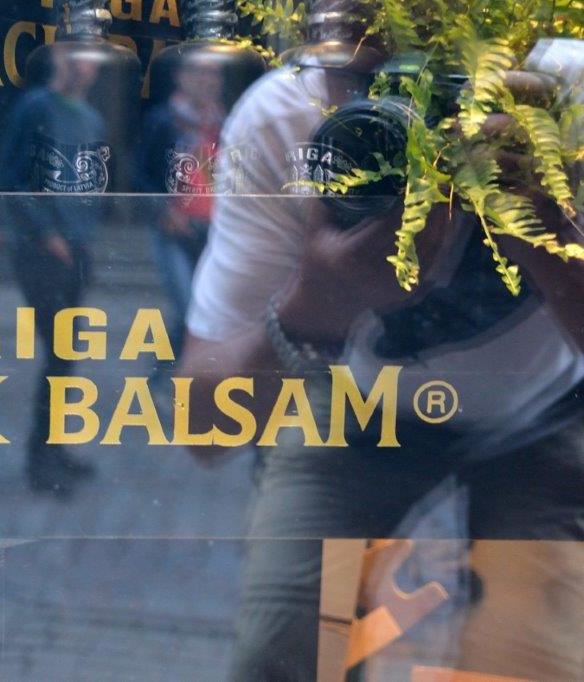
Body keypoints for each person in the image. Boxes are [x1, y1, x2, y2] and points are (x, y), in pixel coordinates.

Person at [178, 3, 584, 679]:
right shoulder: (287, 119)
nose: (413, 119)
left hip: (547, 408)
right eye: (370, 79)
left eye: (446, 80)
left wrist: (548, 230)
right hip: (358, 405)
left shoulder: (567, 103)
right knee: (287, 649)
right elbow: (203, 429)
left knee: (526, 659)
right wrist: (315, 306)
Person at [0, 47, 106, 497]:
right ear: (61, 58)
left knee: (66, 355)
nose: (86, 67)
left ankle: (54, 450)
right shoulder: (36, 108)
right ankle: (40, 462)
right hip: (40, 251)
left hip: (76, 251)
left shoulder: (93, 120)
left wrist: (84, 238)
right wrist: (46, 233)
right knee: (58, 353)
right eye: (79, 57)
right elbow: (12, 180)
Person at [136, 59, 227, 388]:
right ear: (181, 76)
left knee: (202, 309)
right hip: (173, 229)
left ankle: (175, 379)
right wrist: (164, 210)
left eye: (213, 73)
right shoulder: (163, 121)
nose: (207, 80)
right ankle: (163, 382)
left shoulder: (223, 123)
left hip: (212, 230)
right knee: (188, 306)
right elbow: (139, 176)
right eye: (199, 71)